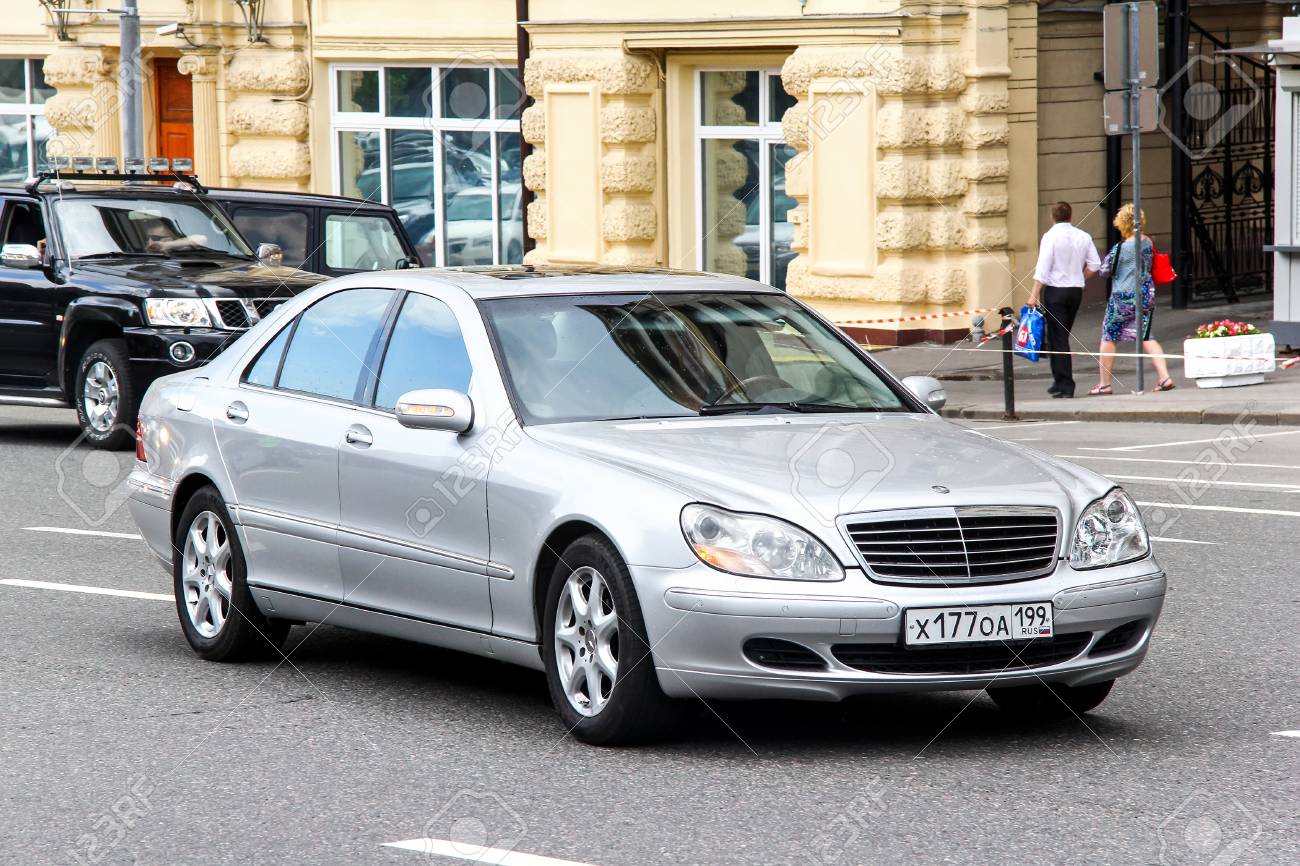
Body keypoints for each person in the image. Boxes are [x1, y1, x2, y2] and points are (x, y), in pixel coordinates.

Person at [1091, 203, 1175, 394]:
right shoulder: (1148, 242)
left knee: (1109, 336)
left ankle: (1104, 384)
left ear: (1122, 224)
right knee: (1146, 336)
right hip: (1145, 295)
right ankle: (1165, 377)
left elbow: (1104, 272)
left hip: (1122, 298)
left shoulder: (1120, 248)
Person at [1028, 201, 1100, 398]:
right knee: (1060, 335)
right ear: (1071, 216)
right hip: (1075, 291)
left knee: (1058, 339)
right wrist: (1080, 279)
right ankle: (1058, 380)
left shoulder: (1050, 237)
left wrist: (1033, 296)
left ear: (1052, 217)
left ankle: (1066, 385)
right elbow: (1095, 264)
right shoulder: (1083, 236)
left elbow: (1042, 270)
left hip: (1055, 291)